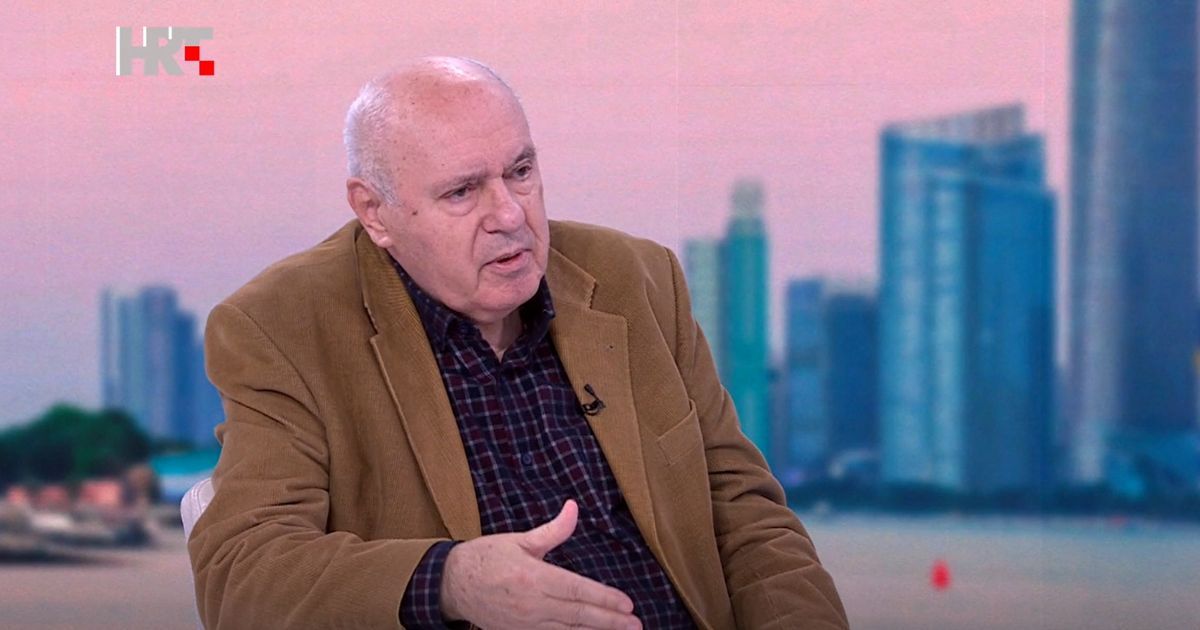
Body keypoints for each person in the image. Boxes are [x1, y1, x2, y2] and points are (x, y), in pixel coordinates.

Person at [188, 56, 848, 630]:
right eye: (461, 192)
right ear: (374, 212)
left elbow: (743, 512)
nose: (509, 215)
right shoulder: (281, 327)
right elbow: (244, 574)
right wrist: (451, 580)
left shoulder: (637, 280)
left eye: (521, 171)